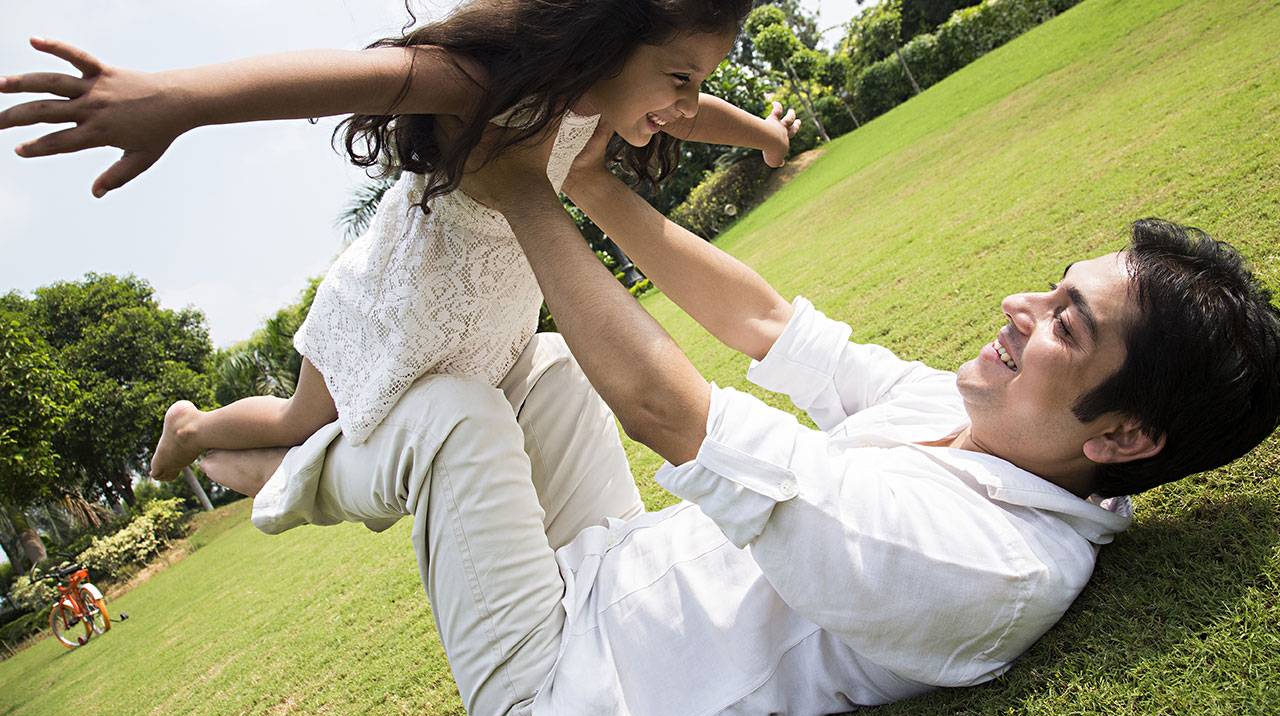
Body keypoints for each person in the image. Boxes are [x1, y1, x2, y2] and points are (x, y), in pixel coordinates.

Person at [197, 134, 1280, 716]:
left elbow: (678, 418)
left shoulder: (992, 564)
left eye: (1062, 325)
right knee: (544, 364)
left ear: (1126, 434)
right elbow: (771, 330)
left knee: (449, 416)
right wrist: (577, 174)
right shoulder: (977, 422)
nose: (1015, 308)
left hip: (564, 699)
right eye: (1049, 290)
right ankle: (276, 449)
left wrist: (517, 189)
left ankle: (260, 470)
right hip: (602, 571)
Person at [0, 0, 799, 482]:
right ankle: (193, 428)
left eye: (700, 80)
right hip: (401, 290)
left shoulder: (616, 97)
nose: (690, 104)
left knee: (455, 426)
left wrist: (765, 134)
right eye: (681, 77)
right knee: (299, 422)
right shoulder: (497, 84)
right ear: (615, 40)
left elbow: (707, 113)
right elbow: (352, 76)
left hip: (495, 301)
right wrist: (175, 100)